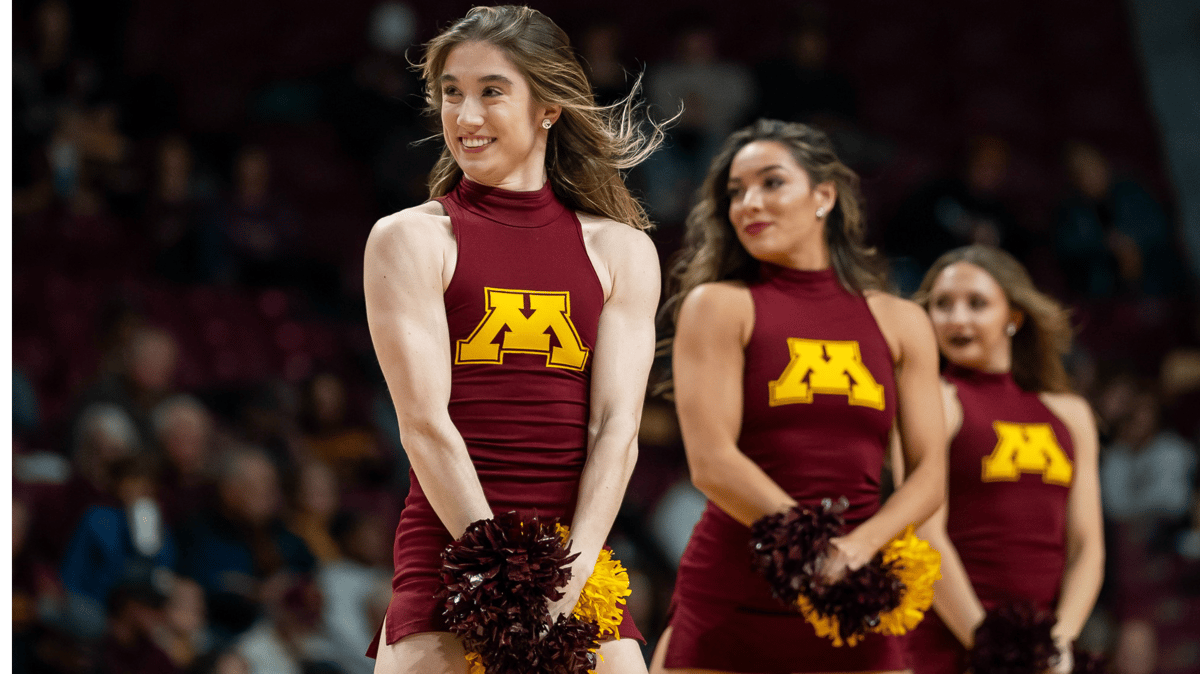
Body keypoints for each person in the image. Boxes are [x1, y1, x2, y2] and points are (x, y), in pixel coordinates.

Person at [362, 6, 662, 672]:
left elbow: (616, 429)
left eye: (491, 92)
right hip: (451, 553)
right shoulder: (409, 239)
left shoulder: (622, 251)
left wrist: (568, 575)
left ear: (549, 107)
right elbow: (423, 425)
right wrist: (503, 572)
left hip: (573, 561)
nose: (465, 117)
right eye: (451, 93)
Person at [649, 119, 946, 673]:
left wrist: (857, 551)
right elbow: (712, 462)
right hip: (735, 593)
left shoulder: (901, 321)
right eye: (735, 192)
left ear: (824, 196)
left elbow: (929, 475)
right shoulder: (718, 306)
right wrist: (815, 547)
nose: (748, 204)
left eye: (771, 183)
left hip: (852, 595)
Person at [904, 245, 1105, 673]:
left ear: (1013, 317)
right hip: (948, 645)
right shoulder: (932, 402)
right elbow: (922, 534)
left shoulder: (1071, 414)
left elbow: (1087, 546)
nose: (957, 319)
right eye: (942, 305)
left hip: (1038, 655)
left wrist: (1057, 645)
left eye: (976, 304)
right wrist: (988, 645)